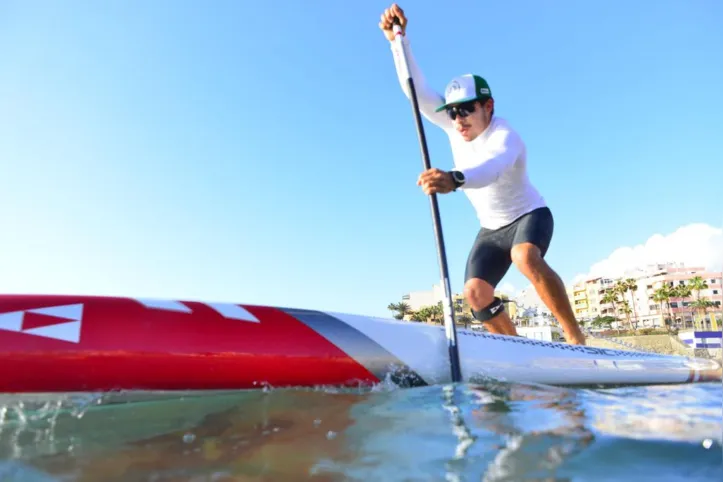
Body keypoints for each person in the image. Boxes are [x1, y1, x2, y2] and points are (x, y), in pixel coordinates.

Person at [379, 4, 586, 345]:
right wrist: (397, 42)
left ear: (488, 107)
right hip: (491, 229)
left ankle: (575, 337)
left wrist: (455, 179)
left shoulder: (506, 136)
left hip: (529, 216)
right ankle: (517, 349)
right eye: (454, 112)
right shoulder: (453, 126)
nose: (458, 119)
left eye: (467, 110)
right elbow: (417, 93)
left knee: (524, 257)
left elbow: (492, 168)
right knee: (475, 294)